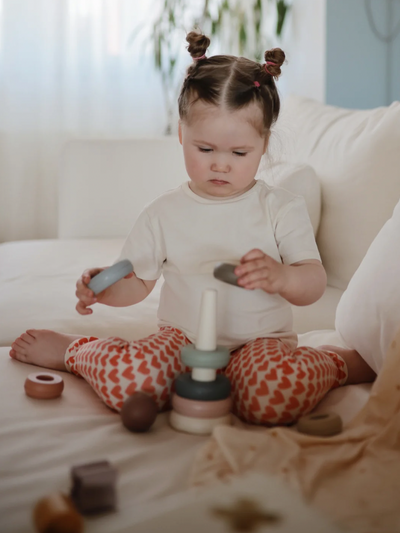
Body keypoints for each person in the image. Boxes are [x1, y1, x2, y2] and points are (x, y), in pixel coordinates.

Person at [9, 32, 375, 425]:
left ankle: (338, 364)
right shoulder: (164, 213)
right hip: (182, 342)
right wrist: (102, 289)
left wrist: (283, 277)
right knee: (135, 381)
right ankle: (75, 351)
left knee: (271, 399)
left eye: (239, 153)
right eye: (205, 149)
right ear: (182, 135)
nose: (221, 164)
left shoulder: (281, 208)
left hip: (259, 344)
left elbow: (313, 284)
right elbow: (136, 282)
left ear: (264, 143)